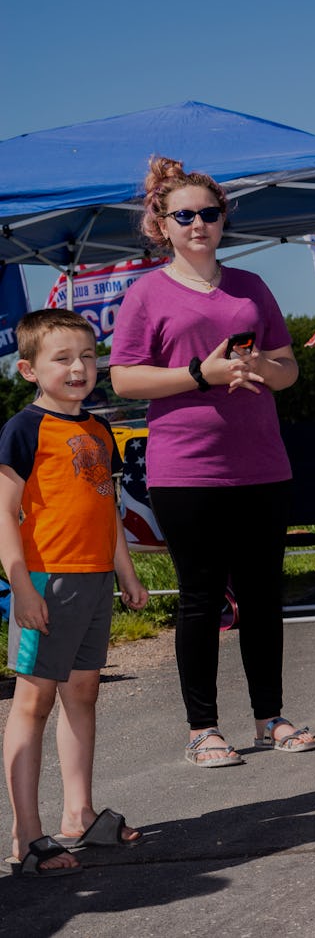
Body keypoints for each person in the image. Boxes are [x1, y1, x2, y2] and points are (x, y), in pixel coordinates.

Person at [110, 157, 315, 767]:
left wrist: (259, 367)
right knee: (201, 599)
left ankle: (269, 718)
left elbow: (289, 369)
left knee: (262, 596)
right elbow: (124, 379)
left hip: (262, 464)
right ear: (162, 226)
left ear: (224, 219)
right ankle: (202, 728)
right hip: (186, 468)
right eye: (184, 216)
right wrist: (202, 373)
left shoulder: (251, 286)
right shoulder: (147, 293)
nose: (198, 224)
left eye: (209, 213)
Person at [0, 309, 148, 877]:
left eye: (87, 356)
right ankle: (26, 835)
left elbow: (106, 510)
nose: (79, 368)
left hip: (95, 578)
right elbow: (3, 513)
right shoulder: (23, 429)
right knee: (33, 703)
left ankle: (78, 813)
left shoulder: (100, 430)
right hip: (46, 580)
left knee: (82, 692)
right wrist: (21, 586)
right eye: (62, 358)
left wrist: (126, 573)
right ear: (29, 370)